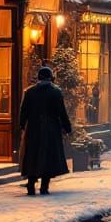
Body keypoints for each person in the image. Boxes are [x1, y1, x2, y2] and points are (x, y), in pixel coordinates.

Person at [18, 66, 72, 196]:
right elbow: (61, 112)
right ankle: (44, 186)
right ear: (50, 77)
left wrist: (22, 126)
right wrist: (67, 127)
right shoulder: (56, 92)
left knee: (32, 156)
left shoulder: (29, 92)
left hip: (33, 128)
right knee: (48, 157)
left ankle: (31, 185)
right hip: (51, 128)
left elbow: (23, 112)